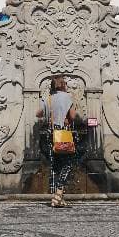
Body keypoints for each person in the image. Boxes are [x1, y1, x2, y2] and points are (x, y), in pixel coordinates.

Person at [36, 75, 77, 208]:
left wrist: (49, 115)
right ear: (63, 85)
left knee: (55, 166)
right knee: (68, 164)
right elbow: (72, 116)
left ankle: (59, 198)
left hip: (50, 134)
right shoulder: (67, 97)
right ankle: (58, 194)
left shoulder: (47, 98)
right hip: (63, 134)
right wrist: (65, 118)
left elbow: (38, 113)